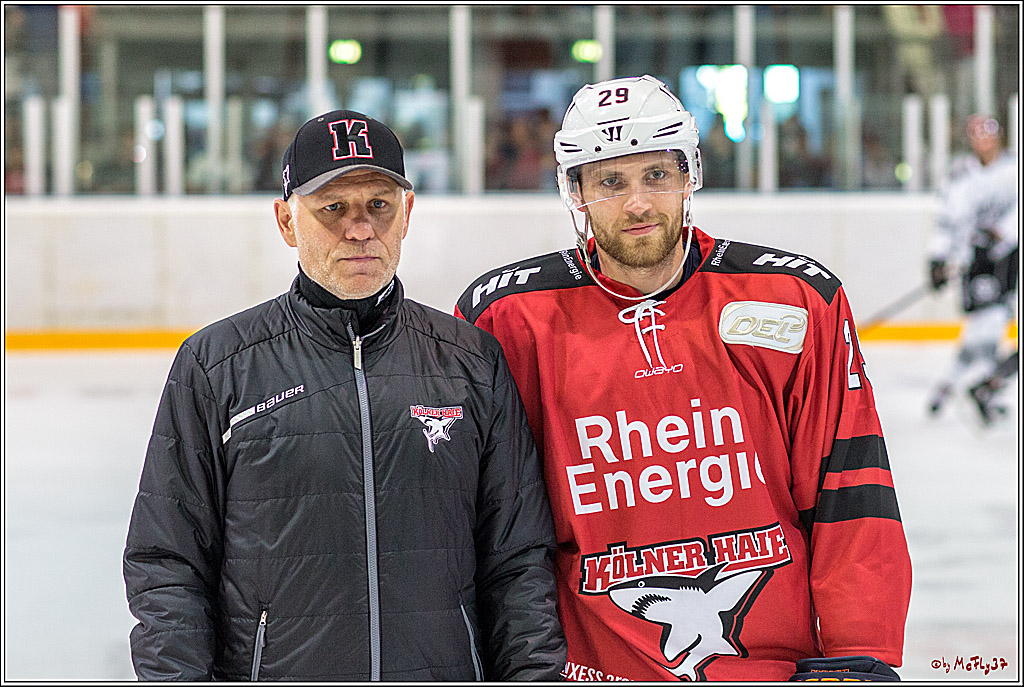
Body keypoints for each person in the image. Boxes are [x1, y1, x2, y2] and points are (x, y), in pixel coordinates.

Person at [455, 75, 911, 681]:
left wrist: (863, 654)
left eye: (656, 176)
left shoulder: (794, 301)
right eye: (611, 182)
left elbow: (851, 491)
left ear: (689, 174)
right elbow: (481, 524)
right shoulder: (508, 319)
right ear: (577, 193)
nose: (638, 203)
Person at [124, 109, 566, 681]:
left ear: (407, 215)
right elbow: (168, 564)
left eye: (378, 206)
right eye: (333, 208)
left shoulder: (469, 363)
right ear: (287, 221)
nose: (360, 229)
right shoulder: (217, 366)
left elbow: (518, 561)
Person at [926, 113, 1018, 421]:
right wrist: (937, 259)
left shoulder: (1013, 170)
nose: (983, 141)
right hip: (977, 264)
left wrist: (1002, 233)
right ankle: (969, 386)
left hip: (1009, 260)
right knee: (986, 326)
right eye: (976, 135)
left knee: (991, 326)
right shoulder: (960, 176)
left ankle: (971, 386)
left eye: (988, 134)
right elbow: (947, 221)